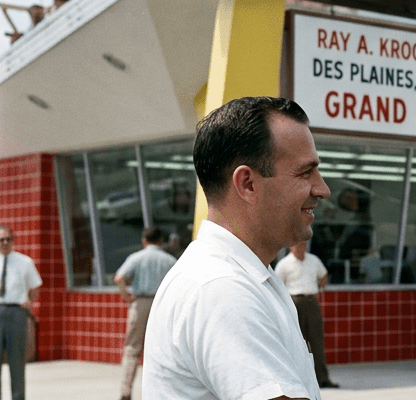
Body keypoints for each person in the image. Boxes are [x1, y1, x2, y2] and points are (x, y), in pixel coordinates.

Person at [142, 97, 330, 400]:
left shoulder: (244, 276)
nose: (322, 189)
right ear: (248, 184)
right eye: (305, 172)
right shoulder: (223, 288)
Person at [114, 226, 176, 400]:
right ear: (161, 240)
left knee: (132, 348)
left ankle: (126, 391)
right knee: (164, 349)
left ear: (144, 241)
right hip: (162, 303)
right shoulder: (170, 260)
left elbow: (119, 278)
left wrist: (126, 296)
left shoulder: (136, 257)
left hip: (140, 302)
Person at [275, 241, 339, 389]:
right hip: (293, 301)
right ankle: (295, 381)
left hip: (311, 300)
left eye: (302, 245)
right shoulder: (284, 263)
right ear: (291, 247)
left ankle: (322, 378)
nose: (299, 247)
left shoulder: (313, 260)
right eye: (296, 245)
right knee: (293, 341)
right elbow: (277, 285)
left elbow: (323, 275)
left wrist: (321, 283)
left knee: (317, 341)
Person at [0, 225, 42, 400]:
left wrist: (30, 302)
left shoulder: (24, 261)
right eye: (1, 240)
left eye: (8, 239)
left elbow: (35, 285)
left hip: (16, 313)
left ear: (13, 241)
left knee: (17, 362)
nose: (5, 243)